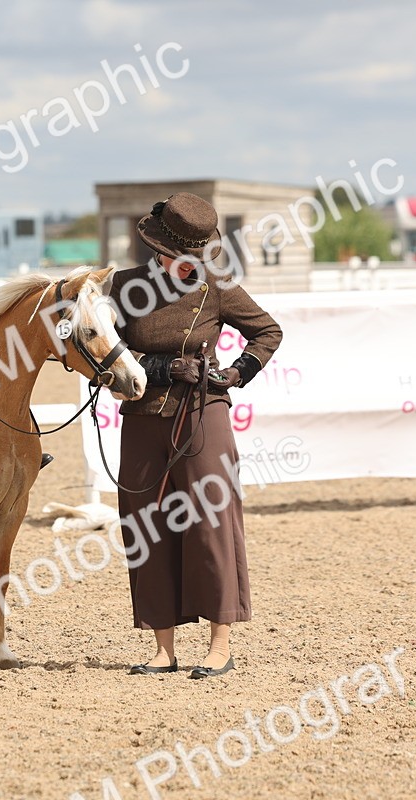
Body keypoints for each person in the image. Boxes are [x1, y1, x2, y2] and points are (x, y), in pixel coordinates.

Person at [107, 192, 283, 678]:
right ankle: (163, 649)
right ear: (159, 252)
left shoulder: (218, 287)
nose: (192, 267)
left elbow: (268, 332)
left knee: (211, 524)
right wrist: (161, 367)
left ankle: (219, 644)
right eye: (183, 260)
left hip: (204, 416)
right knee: (144, 524)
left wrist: (235, 373)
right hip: (143, 415)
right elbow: (101, 353)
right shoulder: (122, 288)